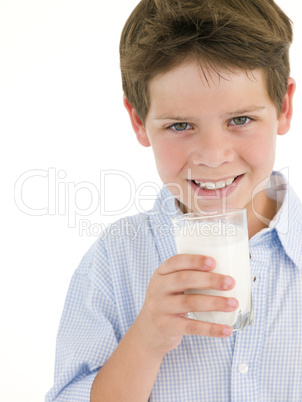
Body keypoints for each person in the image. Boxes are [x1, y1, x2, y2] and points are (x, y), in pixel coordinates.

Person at [46, 0, 302, 400]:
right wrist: (146, 341)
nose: (213, 155)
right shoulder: (116, 259)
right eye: (180, 125)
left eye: (240, 120)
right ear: (139, 122)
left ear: (283, 107)